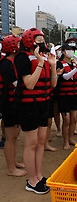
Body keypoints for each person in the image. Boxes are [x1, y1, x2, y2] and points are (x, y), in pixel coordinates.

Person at [14, 28, 57, 194]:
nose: (41, 42)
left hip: (43, 103)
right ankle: (31, 181)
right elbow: (29, 84)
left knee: (40, 141)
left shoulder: (45, 58)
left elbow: (52, 84)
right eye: (37, 39)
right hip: (28, 105)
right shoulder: (22, 58)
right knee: (31, 143)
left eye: (42, 39)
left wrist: (52, 66)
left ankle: (38, 175)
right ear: (29, 41)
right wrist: (40, 63)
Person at [0, 35, 27, 177]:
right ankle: (11, 168)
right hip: (8, 104)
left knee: (15, 135)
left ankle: (14, 161)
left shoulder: (12, 61)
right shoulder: (6, 64)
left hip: (14, 103)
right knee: (10, 137)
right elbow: (14, 83)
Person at [57, 44, 77, 150]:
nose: (71, 52)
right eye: (69, 50)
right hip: (64, 96)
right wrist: (76, 68)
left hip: (74, 95)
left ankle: (71, 138)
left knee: (74, 119)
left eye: (72, 50)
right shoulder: (60, 64)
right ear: (63, 51)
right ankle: (65, 141)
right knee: (66, 120)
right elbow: (65, 77)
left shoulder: (74, 63)